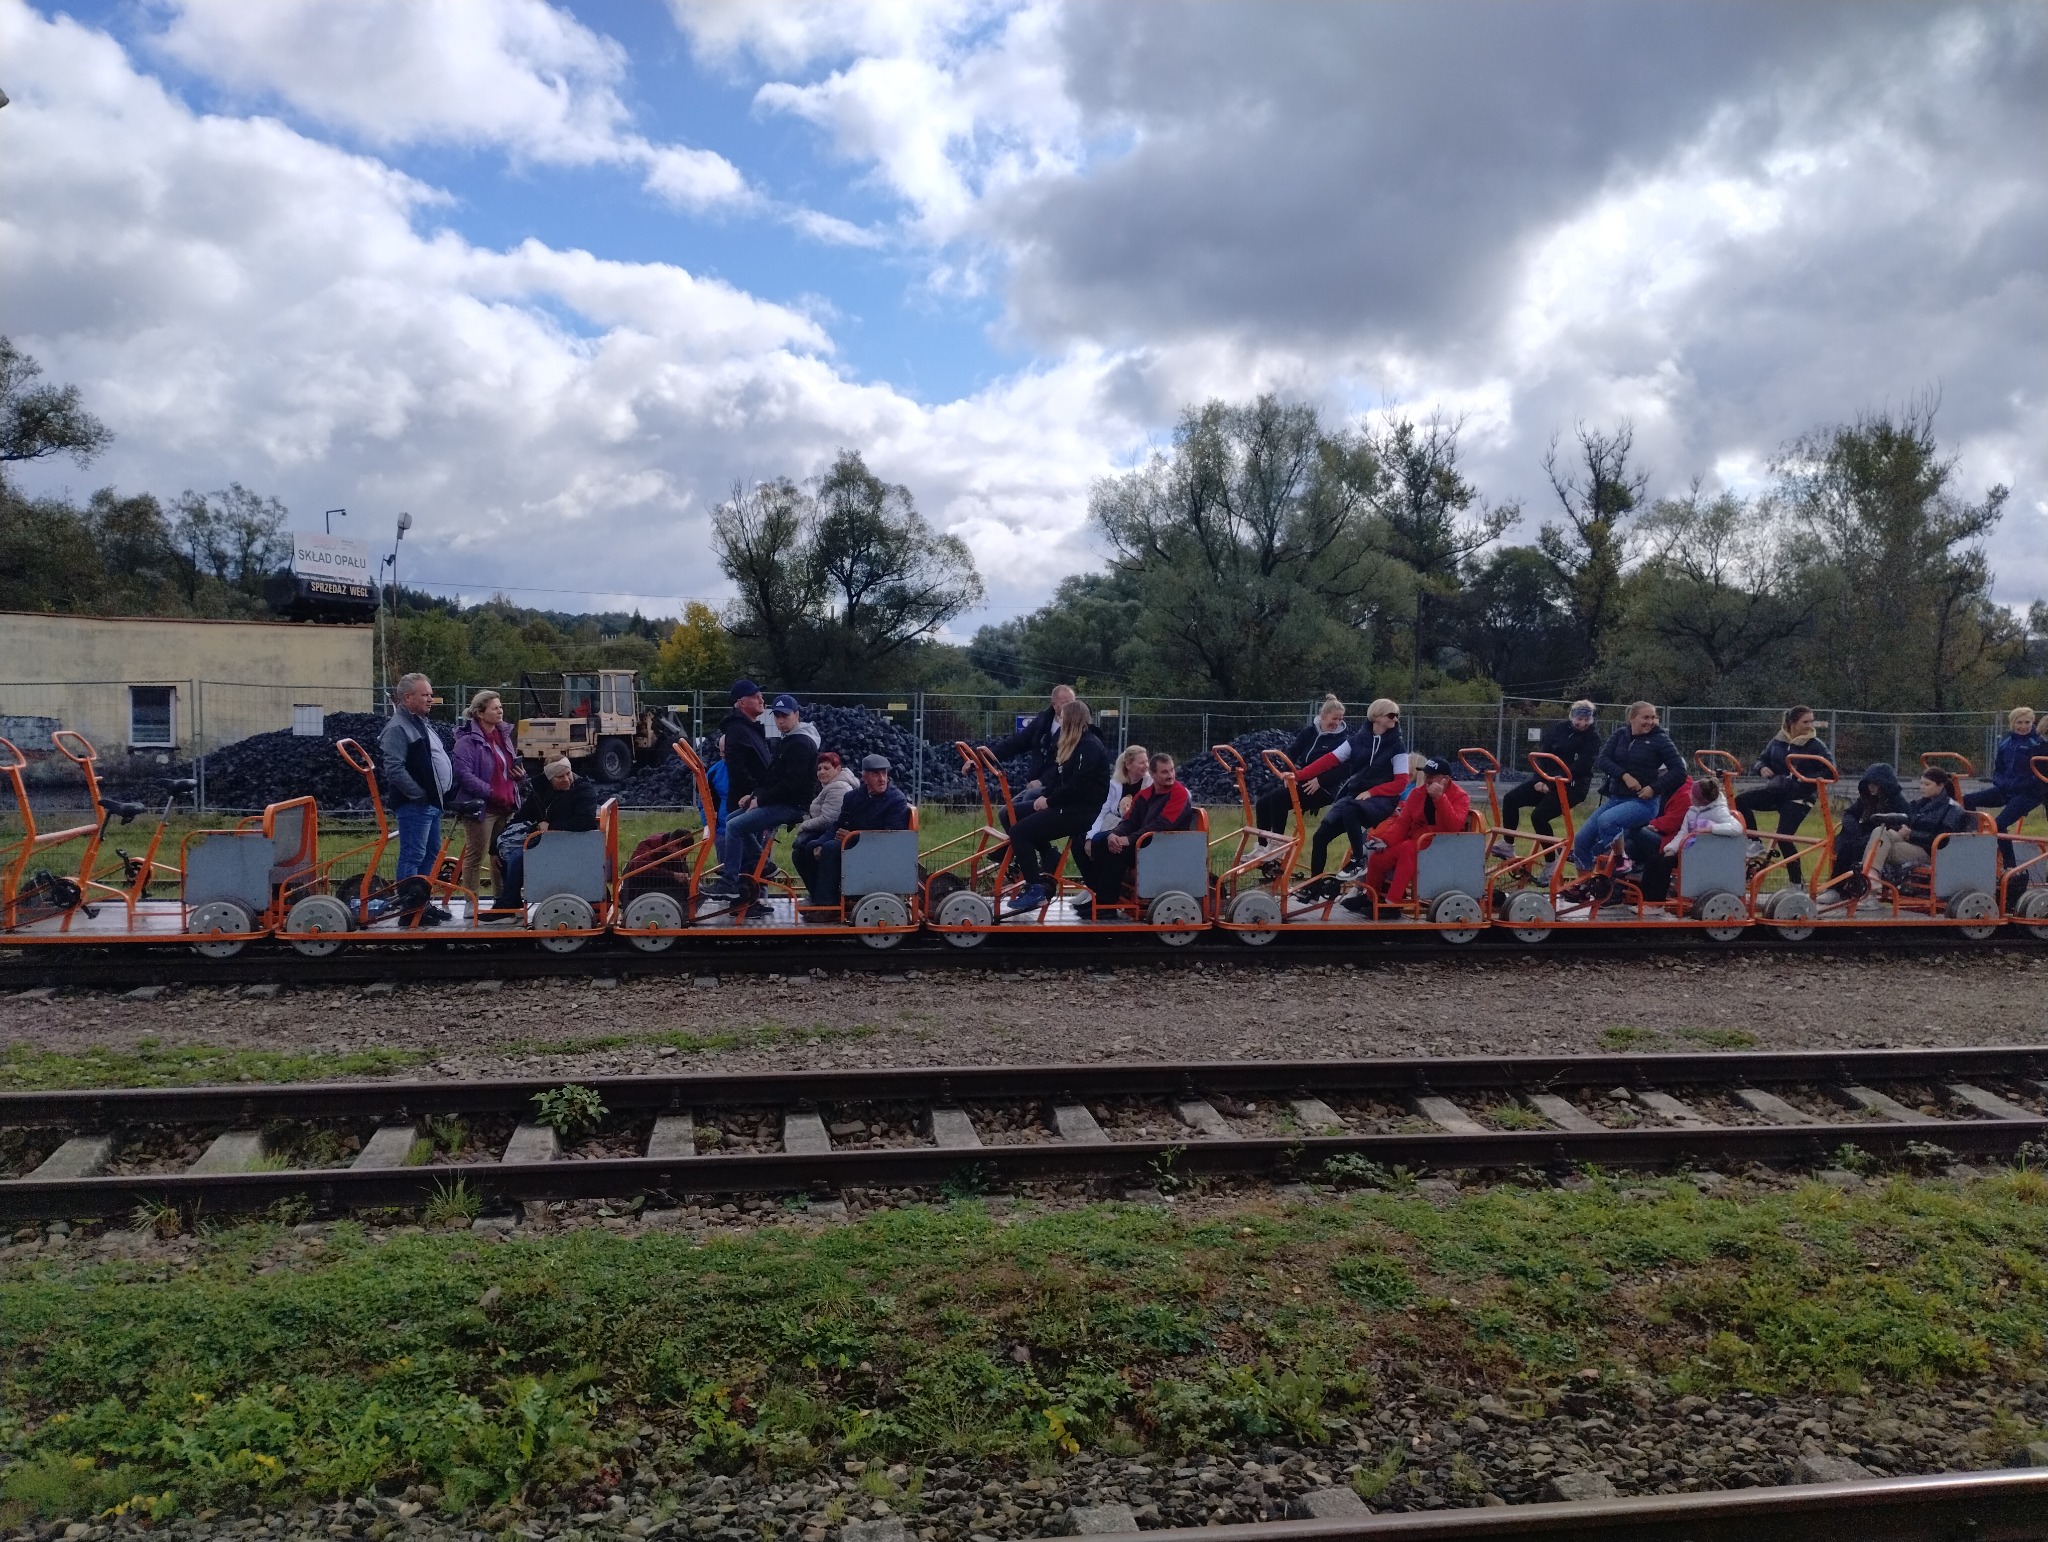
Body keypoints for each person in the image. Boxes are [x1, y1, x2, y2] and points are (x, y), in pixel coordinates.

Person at [1003, 698, 1111, 912]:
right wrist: (1043, 796)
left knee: (1020, 833)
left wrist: (1049, 801)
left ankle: (1035, 890)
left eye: (1061, 718)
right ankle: (1047, 853)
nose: (1059, 722)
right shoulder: (1074, 744)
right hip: (1067, 805)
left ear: (1071, 719)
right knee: (1009, 813)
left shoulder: (1089, 746)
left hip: (1079, 812)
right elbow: (1059, 780)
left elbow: (1077, 786)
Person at [1291, 699, 1410, 888]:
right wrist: (1298, 776)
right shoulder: (1357, 740)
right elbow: (1330, 760)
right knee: (1320, 836)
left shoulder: (1397, 747)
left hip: (1384, 799)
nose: (1395, 719)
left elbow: (1401, 783)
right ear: (1376, 717)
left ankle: (1358, 859)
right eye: (1390, 715)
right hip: (1358, 797)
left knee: (1350, 809)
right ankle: (1313, 886)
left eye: (1397, 715)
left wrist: (1372, 792)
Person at [718, 694, 818, 913]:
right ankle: (765, 865)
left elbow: (791, 784)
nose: (781, 721)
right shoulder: (790, 739)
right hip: (781, 800)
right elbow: (772, 777)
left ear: (797, 715)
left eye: (785, 716)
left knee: (735, 827)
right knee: (732, 819)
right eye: (778, 717)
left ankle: (730, 883)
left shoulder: (801, 743)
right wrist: (754, 796)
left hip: (792, 806)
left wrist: (761, 800)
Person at [1568, 701, 1686, 876]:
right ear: (1632, 718)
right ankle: (1585, 885)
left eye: (1654, 717)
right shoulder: (1621, 735)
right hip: (1618, 798)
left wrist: (1654, 788)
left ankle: (1621, 859)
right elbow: (1603, 760)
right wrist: (1624, 775)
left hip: (1644, 802)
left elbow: (1679, 771)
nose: (1651, 721)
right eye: (1645, 717)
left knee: (1607, 821)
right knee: (1582, 840)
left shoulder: (1660, 740)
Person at [1342, 758, 1471, 913]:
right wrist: (1385, 841)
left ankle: (1393, 904)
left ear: (1446, 779)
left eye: (1432, 776)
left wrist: (1440, 798)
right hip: (1418, 843)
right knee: (1377, 856)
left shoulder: (1460, 796)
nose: (1427, 779)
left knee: (1407, 847)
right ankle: (1371, 898)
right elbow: (1403, 823)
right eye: (1426, 774)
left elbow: (1454, 827)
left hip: (1443, 847)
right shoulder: (1418, 793)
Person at [379, 671, 453, 924]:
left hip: (430, 803)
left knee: (431, 852)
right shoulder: (398, 727)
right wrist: (418, 794)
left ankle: (422, 904)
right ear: (407, 697)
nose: (430, 699)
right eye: (425, 695)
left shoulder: (420, 721)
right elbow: (394, 768)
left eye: (431, 694)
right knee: (413, 854)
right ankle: (409, 910)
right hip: (416, 805)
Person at [1079, 752, 1194, 916]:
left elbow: (1160, 825)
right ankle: (1100, 898)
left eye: (1171, 770)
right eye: (1164, 772)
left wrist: (1128, 840)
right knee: (1099, 841)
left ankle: (1106, 905)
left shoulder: (1179, 793)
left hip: (1165, 846)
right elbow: (1129, 821)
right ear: (1153, 775)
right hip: (1147, 841)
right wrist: (1114, 834)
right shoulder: (1145, 794)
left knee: (1118, 852)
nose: (1171, 775)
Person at [1830, 766, 1970, 900]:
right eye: (1921, 783)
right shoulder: (1920, 804)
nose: (1922, 787)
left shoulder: (1952, 809)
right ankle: (1870, 878)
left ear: (1941, 785)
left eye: (1927, 784)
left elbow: (1944, 840)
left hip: (1929, 850)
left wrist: (1911, 834)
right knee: (1880, 832)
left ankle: (1867, 887)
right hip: (1912, 842)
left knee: (1877, 848)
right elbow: (1907, 821)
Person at [488, 755, 600, 914]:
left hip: (573, 844)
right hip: (550, 842)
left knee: (517, 857)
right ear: (549, 779)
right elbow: (520, 818)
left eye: (568, 774)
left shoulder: (583, 789)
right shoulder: (540, 792)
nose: (567, 780)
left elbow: (585, 821)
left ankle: (509, 905)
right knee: (508, 853)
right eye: (560, 777)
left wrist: (550, 826)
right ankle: (509, 901)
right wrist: (494, 848)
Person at [796, 754, 911, 907]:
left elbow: (891, 837)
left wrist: (853, 838)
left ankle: (827, 905)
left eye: (884, 773)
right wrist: (819, 842)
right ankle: (818, 897)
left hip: (877, 851)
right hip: (855, 843)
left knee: (831, 848)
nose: (882, 778)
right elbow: (839, 824)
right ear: (864, 776)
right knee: (805, 849)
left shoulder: (896, 800)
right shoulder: (852, 797)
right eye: (876, 774)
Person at [1736, 705, 1833, 883]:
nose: (1810, 725)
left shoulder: (1816, 745)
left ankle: (1797, 883)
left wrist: (1803, 778)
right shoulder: (1778, 740)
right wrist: (1762, 768)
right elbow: (1761, 759)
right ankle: (1754, 842)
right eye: (1805, 722)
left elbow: (1829, 770)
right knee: (1740, 801)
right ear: (1792, 723)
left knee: (1784, 838)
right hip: (1778, 791)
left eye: (1812, 721)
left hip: (1799, 797)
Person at [1492, 700, 1599, 859]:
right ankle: (1507, 844)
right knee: (1510, 799)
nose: (1582, 723)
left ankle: (1551, 863)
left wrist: (1552, 782)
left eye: (1586, 720)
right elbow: (1543, 755)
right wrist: (1538, 780)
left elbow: (1582, 766)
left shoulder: (1592, 738)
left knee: (1539, 816)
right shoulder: (1559, 729)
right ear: (1572, 716)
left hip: (1572, 786)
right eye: (1579, 719)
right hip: (1547, 780)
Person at [451, 689, 525, 906]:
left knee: (500, 855)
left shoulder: (503, 736)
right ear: (480, 713)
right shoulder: (467, 742)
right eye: (495, 707)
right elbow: (464, 775)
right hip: (483, 807)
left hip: (506, 804)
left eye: (501, 707)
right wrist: (491, 791)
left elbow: (508, 767)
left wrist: (519, 776)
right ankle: (470, 904)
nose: (500, 711)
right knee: (476, 856)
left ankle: (501, 899)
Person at [1965, 707, 2046, 873]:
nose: (2023, 726)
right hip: (2006, 789)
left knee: (1999, 824)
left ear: (2033, 723)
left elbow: (2040, 774)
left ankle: (2010, 866)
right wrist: (2001, 782)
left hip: (2028, 793)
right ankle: (1972, 839)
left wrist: (2020, 785)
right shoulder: (2005, 744)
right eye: (2019, 722)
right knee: (1967, 800)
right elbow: (1998, 770)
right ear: (2012, 724)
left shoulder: (2038, 744)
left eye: (2027, 722)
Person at [1254, 696, 1348, 834]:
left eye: (1340, 719)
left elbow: (1345, 769)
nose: (1337, 723)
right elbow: (1292, 752)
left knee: (1278, 799)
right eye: (1334, 719)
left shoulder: (1342, 741)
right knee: (1262, 804)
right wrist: (1287, 772)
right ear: (1323, 716)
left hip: (1325, 788)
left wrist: (1320, 781)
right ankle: (1263, 846)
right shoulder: (1309, 732)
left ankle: (1276, 843)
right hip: (1305, 781)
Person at [1641, 775, 1741, 903]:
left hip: (1706, 853)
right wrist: (1671, 848)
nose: (1690, 796)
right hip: (1691, 851)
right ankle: (1644, 900)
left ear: (1701, 799)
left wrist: (1710, 829)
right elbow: (1683, 833)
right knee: (1654, 859)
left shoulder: (1718, 812)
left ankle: (1656, 903)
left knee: (1665, 864)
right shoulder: (1692, 811)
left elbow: (1736, 827)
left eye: (1692, 795)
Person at [1075, 745, 1151, 903]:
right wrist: (1089, 837)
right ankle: (1093, 886)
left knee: (1101, 843)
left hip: (1132, 828)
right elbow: (1102, 812)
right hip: (1116, 824)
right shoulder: (1115, 784)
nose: (1146, 766)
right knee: (1078, 840)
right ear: (1128, 764)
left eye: (1146, 762)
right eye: (1141, 762)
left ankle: (1101, 895)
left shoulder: (1149, 783)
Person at [987, 683, 1076, 810]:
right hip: (1036, 782)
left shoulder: (1076, 730)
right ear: (1054, 704)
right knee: (1006, 812)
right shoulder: (1042, 721)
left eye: (1072, 703)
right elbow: (1016, 743)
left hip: (1057, 785)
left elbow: (1068, 762)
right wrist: (981, 758)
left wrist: (1042, 781)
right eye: (1065, 703)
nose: (1070, 707)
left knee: (1026, 806)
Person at [1830, 763, 1905, 883]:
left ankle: (1841, 886)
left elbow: (1902, 822)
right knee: (1846, 845)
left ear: (1884, 784)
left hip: (1881, 837)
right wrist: (1853, 828)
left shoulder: (1898, 802)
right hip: (1864, 834)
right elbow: (1850, 814)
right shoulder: (1867, 799)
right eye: (1869, 784)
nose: (1871, 787)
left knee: (1852, 848)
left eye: (1875, 784)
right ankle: (1837, 885)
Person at [794, 751, 857, 848]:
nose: (822, 772)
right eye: (819, 769)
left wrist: (804, 825)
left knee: (802, 846)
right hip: (826, 832)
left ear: (838, 769)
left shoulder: (838, 787)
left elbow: (828, 820)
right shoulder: (831, 785)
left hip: (833, 835)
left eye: (826, 768)